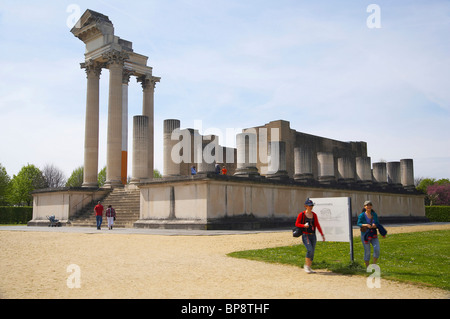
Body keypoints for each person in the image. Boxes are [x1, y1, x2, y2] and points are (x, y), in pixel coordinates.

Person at [295, 198, 325, 273]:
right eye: (309, 205)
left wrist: (322, 234)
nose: (310, 207)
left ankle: (309, 267)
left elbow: (317, 225)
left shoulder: (314, 215)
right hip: (306, 235)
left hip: (313, 235)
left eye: (311, 205)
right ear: (305, 206)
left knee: (312, 251)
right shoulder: (301, 214)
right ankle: (307, 266)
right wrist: (303, 225)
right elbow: (297, 224)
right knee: (310, 250)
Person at [357, 200, 381, 267]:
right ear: (364, 207)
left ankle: (374, 265)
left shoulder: (374, 214)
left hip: (373, 234)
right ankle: (367, 267)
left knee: (377, 249)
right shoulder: (361, 215)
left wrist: (374, 225)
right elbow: (358, 223)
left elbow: (377, 223)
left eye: (370, 205)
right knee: (367, 251)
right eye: (367, 205)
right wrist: (366, 225)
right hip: (365, 235)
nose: (369, 206)